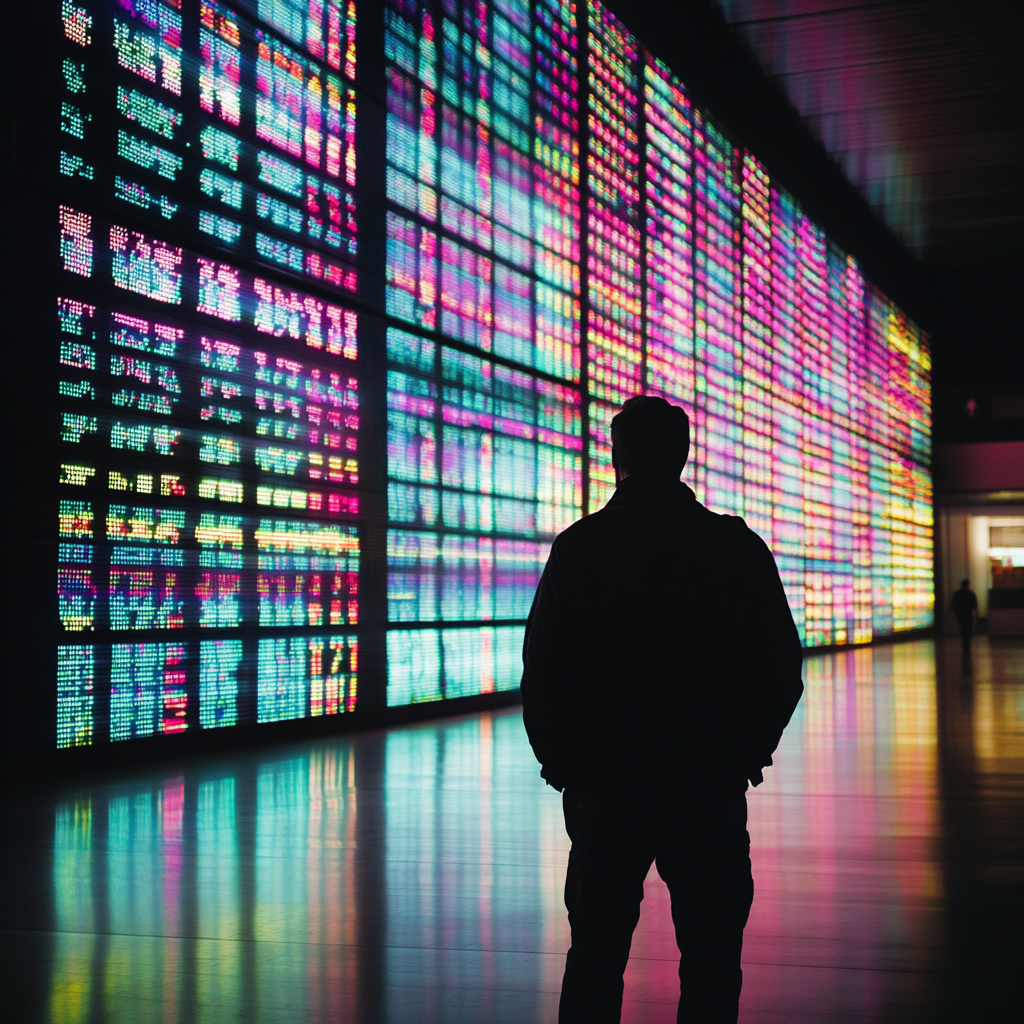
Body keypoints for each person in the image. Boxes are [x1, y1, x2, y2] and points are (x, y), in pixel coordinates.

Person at [521, 395, 804, 1024]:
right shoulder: (733, 546)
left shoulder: (581, 548)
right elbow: (780, 665)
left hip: (606, 785)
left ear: (616, 456)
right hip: (706, 783)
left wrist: (565, 763)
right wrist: (745, 753)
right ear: (683, 455)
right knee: (710, 957)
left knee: (595, 954)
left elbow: (544, 669)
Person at [951, 579, 978, 654]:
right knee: (969, 632)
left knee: (963, 631)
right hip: (968, 615)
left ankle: (964, 648)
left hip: (961, 616)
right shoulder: (971, 594)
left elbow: (953, 606)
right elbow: (975, 606)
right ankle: (967, 648)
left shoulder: (957, 594)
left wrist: (956, 615)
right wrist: (976, 616)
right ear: (968, 585)